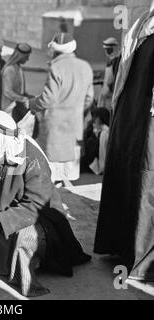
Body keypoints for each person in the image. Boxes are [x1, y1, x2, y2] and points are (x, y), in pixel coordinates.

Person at [0, 110, 91, 297]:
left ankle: (28, 272)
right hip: (4, 212)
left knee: (27, 235)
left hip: (41, 220)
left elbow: (34, 206)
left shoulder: (33, 160)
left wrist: (0, 220)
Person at [94, 5, 154, 282]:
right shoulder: (140, 25)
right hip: (132, 116)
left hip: (147, 121)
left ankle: (142, 259)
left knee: (146, 183)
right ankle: (123, 248)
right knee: (128, 177)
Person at [30, 33, 94, 187]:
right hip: (74, 126)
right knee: (67, 170)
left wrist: (31, 103)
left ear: (55, 50)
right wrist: (75, 110)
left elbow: (47, 99)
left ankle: (51, 204)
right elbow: (89, 98)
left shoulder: (56, 67)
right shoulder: (85, 66)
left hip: (55, 127)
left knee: (51, 171)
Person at [1, 43, 35, 137]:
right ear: (21, 56)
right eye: (26, 57)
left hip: (17, 107)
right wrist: (23, 99)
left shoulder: (18, 68)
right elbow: (7, 91)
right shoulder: (10, 70)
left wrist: (28, 96)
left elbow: (20, 90)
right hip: (10, 110)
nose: (27, 59)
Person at [81, 108, 110, 175]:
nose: (94, 119)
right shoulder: (95, 129)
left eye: (96, 117)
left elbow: (103, 152)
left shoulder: (105, 132)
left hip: (98, 162)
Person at [97, 37, 121, 111]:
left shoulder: (117, 61)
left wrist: (108, 89)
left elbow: (112, 80)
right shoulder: (110, 61)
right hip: (105, 96)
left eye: (109, 49)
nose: (107, 51)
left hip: (111, 96)